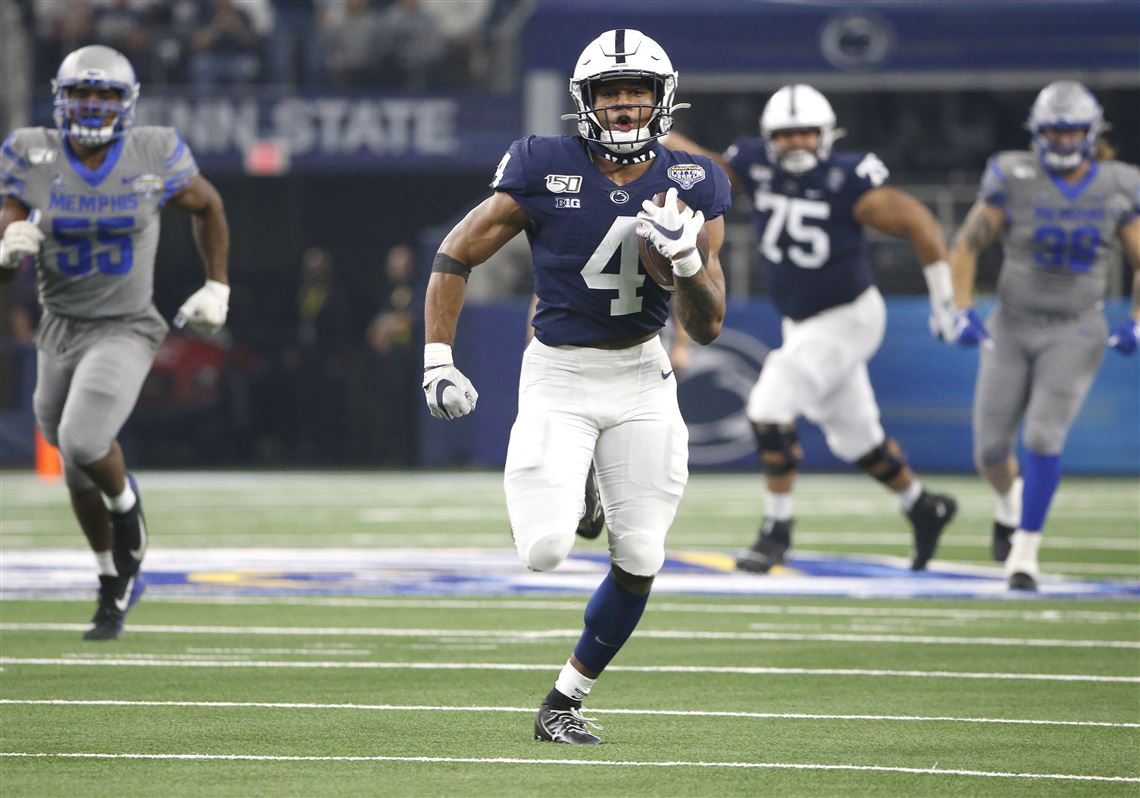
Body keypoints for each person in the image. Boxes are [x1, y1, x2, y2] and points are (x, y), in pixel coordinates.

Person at [422, 29, 729, 744]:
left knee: (643, 555)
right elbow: (455, 251)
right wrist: (438, 357)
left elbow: (708, 324)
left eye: (637, 92)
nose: (624, 106)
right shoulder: (539, 164)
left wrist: (685, 259)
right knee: (545, 551)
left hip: (641, 374)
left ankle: (563, 701)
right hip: (559, 372)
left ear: (662, 99)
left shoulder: (694, 180)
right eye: (610, 93)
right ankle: (582, 480)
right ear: (585, 102)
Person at [665, 84, 958, 574]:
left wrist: (945, 299)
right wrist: (660, 135)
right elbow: (711, 167)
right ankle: (924, 506)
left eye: (806, 133)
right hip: (803, 323)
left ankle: (777, 531)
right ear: (768, 138)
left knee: (768, 405)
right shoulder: (756, 164)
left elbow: (919, 222)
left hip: (850, 315)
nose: (797, 142)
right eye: (786, 134)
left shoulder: (847, 178)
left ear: (826, 136)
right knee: (856, 440)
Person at [0, 45, 231, 639]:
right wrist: (5, 254)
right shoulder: (32, 152)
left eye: (106, 95)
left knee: (81, 440)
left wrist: (217, 285)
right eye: (84, 94)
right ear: (62, 98)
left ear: (125, 103)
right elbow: (6, 240)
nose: (94, 105)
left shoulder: (151, 150)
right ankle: (112, 579)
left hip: (126, 325)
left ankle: (128, 510)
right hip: (58, 326)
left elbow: (207, 204)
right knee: (74, 466)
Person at [942, 80, 1139, 591]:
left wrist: (1138, 319)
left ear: (1092, 133)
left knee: (1042, 436)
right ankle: (1010, 504)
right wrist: (960, 310)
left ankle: (1024, 553)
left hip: (1076, 328)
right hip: (1011, 324)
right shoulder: (1013, 173)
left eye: (1073, 130)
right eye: (1055, 130)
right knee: (989, 452)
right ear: (1037, 132)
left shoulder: (1120, 182)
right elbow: (965, 244)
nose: (1064, 140)